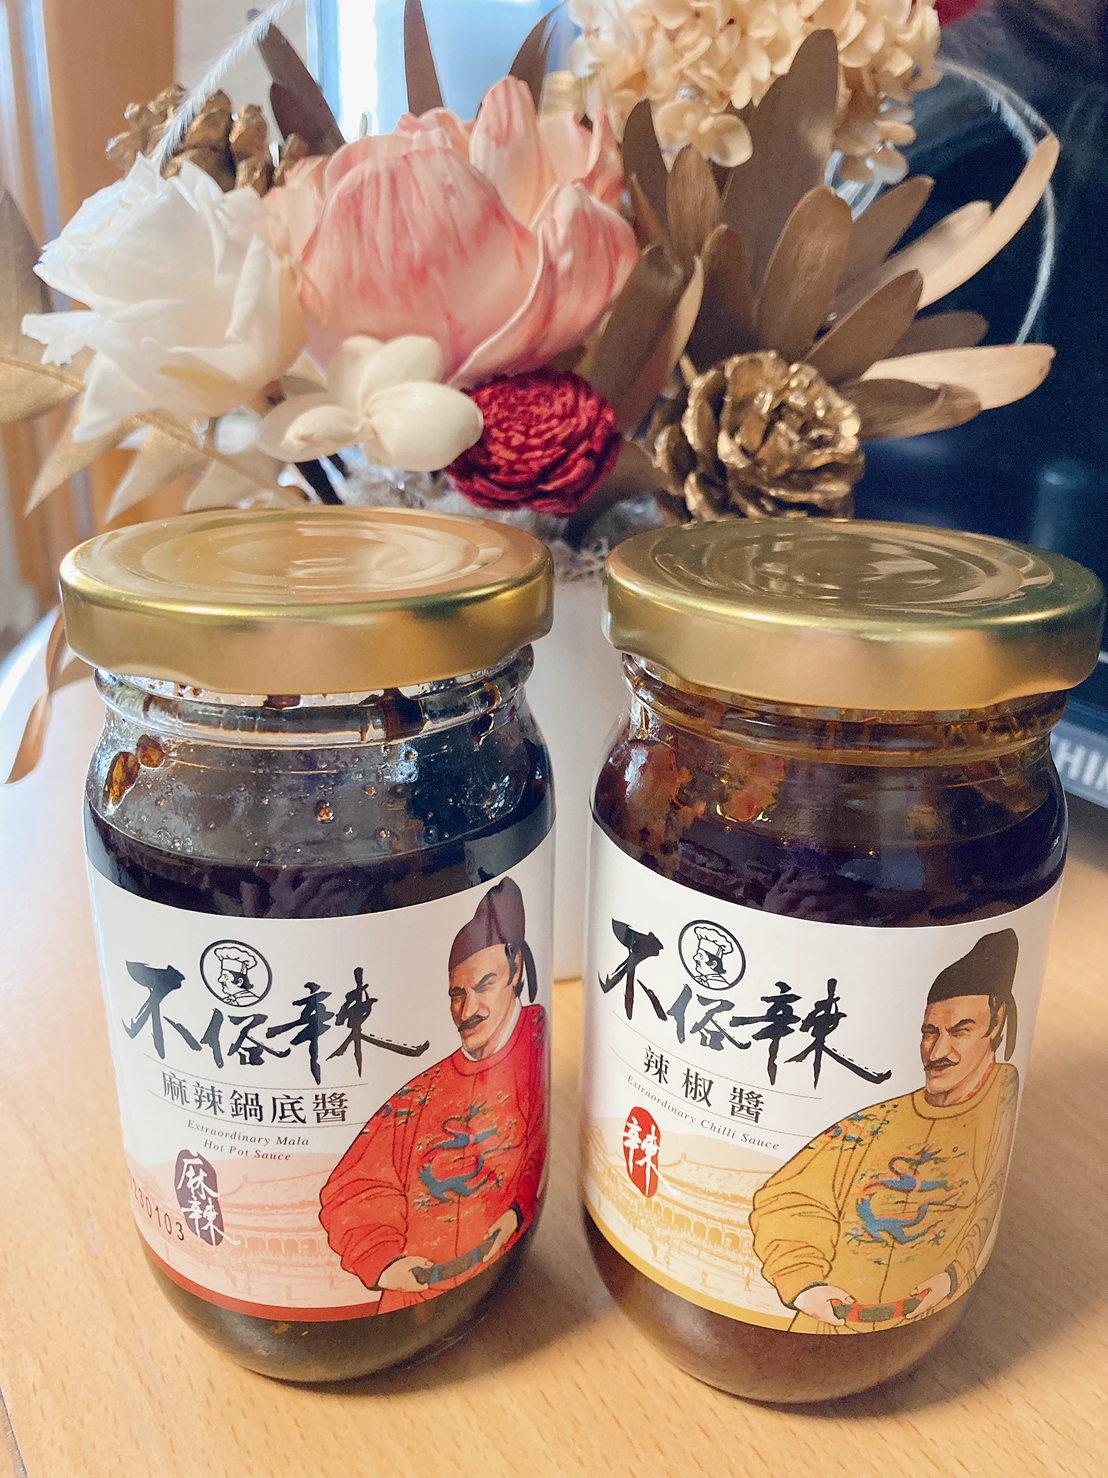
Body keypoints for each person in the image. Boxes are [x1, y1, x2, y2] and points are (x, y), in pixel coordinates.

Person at [750, 929, 1021, 1333]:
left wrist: (952, 1276)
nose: (937, 1051)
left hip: (923, 1317)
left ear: (996, 1024)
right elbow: (788, 1198)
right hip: (825, 1328)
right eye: (930, 1032)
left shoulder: (1001, 1100)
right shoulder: (873, 1125)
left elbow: (989, 1196)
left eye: (960, 1031)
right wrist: (805, 1285)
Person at [319, 877, 547, 1312]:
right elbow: (353, 1186)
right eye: (457, 995)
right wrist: (384, 1263)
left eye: (484, 986)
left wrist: (517, 1210)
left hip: (499, 1260)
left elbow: (535, 1141)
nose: (467, 1010)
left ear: (516, 970)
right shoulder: (420, 1095)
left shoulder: (537, 1042)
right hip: (411, 1299)